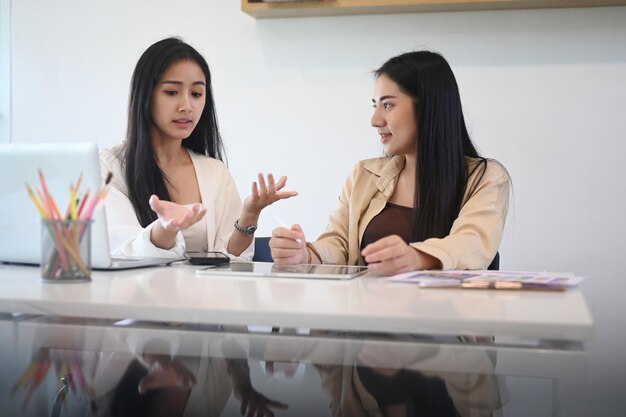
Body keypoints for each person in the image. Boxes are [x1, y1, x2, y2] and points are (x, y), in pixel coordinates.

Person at [270, 51, 510, 274]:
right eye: (375, 106)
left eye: (387, 105)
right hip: (364, 314)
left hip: (443, 316)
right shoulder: (364, 174)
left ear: (428, 107)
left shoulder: (485, 177)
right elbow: (339, 243)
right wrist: (307, 255)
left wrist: (417, 257)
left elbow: (472, 244)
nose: (375, 120)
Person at [100, 37, 296, 259]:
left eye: (196, 94)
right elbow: (122, 252)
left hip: (207, 293)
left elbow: (230, 258)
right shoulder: (108, 167)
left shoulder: (215, 172)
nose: (187, 106)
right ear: (145, 95)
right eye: (172, 92)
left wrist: (250, 214)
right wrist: (166, 227)